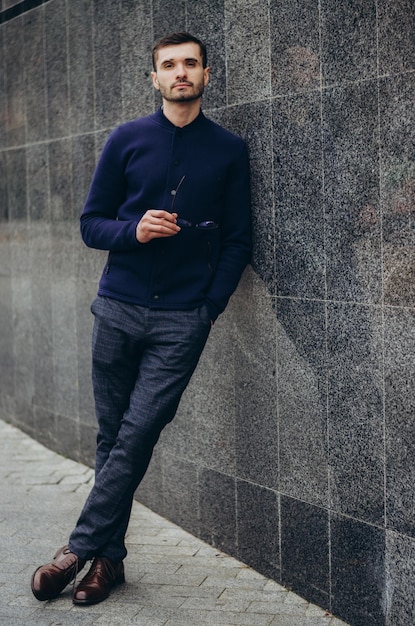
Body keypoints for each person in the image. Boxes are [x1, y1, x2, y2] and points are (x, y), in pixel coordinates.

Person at [31, 31, 251, 606]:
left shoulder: (229, 150)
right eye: (169, 65)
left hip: (183, 320)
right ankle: (110, 563)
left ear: (206, 75)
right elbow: (89, 224)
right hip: (118, 310)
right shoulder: (126, 140)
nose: (181, 73)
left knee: (137, 434)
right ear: (154, 78)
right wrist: (133, 231)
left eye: (191, 64)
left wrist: (209, 309)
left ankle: (75, 552)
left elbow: (237, 240)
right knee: (114, 439)